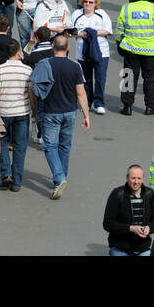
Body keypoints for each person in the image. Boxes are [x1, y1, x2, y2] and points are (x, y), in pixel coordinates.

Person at [32, 34, 91, 199]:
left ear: (52, 47)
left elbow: (35, 88)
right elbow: (80, 92)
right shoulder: (75, 66)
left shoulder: (44, 64)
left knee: (50, 147)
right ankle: (61, 177)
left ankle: (59, 178)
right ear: (68, 48)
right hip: (70, 112)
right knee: (65, 146)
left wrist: (35, 111)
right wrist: (86, 115)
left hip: (51, 112)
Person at [0, 39, 33, 192]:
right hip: (22, 112)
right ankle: (17, 182)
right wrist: (34, 111)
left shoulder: (0, 69)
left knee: (3, 143)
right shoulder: (27, 70)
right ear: (18, 53)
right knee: (20, 147)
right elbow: (30, 94)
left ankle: (6, 173)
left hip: (3, 112)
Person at [116, 0, 154, 117]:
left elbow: (119, 30)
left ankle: (127, 106)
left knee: (129, 76)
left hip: (131, 49)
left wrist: (119, 43)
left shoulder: (127, 8)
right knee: (150, 79)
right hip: (151, 51)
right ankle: (150, 106)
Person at [72, 0, 114, 114]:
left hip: (101, 52)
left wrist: (93, 33)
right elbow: (70, 31)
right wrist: (82, 34)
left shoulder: (101, 14)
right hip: (82, 52)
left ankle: (98, 103)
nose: (88, 4)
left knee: (100, 78)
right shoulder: (76, 14)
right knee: (86, 79)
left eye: (91, 2)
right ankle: (87, 102)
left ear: (95, 4)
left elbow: (108, 30)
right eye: (85, 1)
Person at [104, 164, 154, 256]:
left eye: (139, 178)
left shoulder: (150, 194)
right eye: (133, 178)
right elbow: (107, 224)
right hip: (120, 248)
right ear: (127, 178)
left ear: (143, 179)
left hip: (143, 249)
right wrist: (131, 229)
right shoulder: (117, 194)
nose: (136, 182)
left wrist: (149, 228)